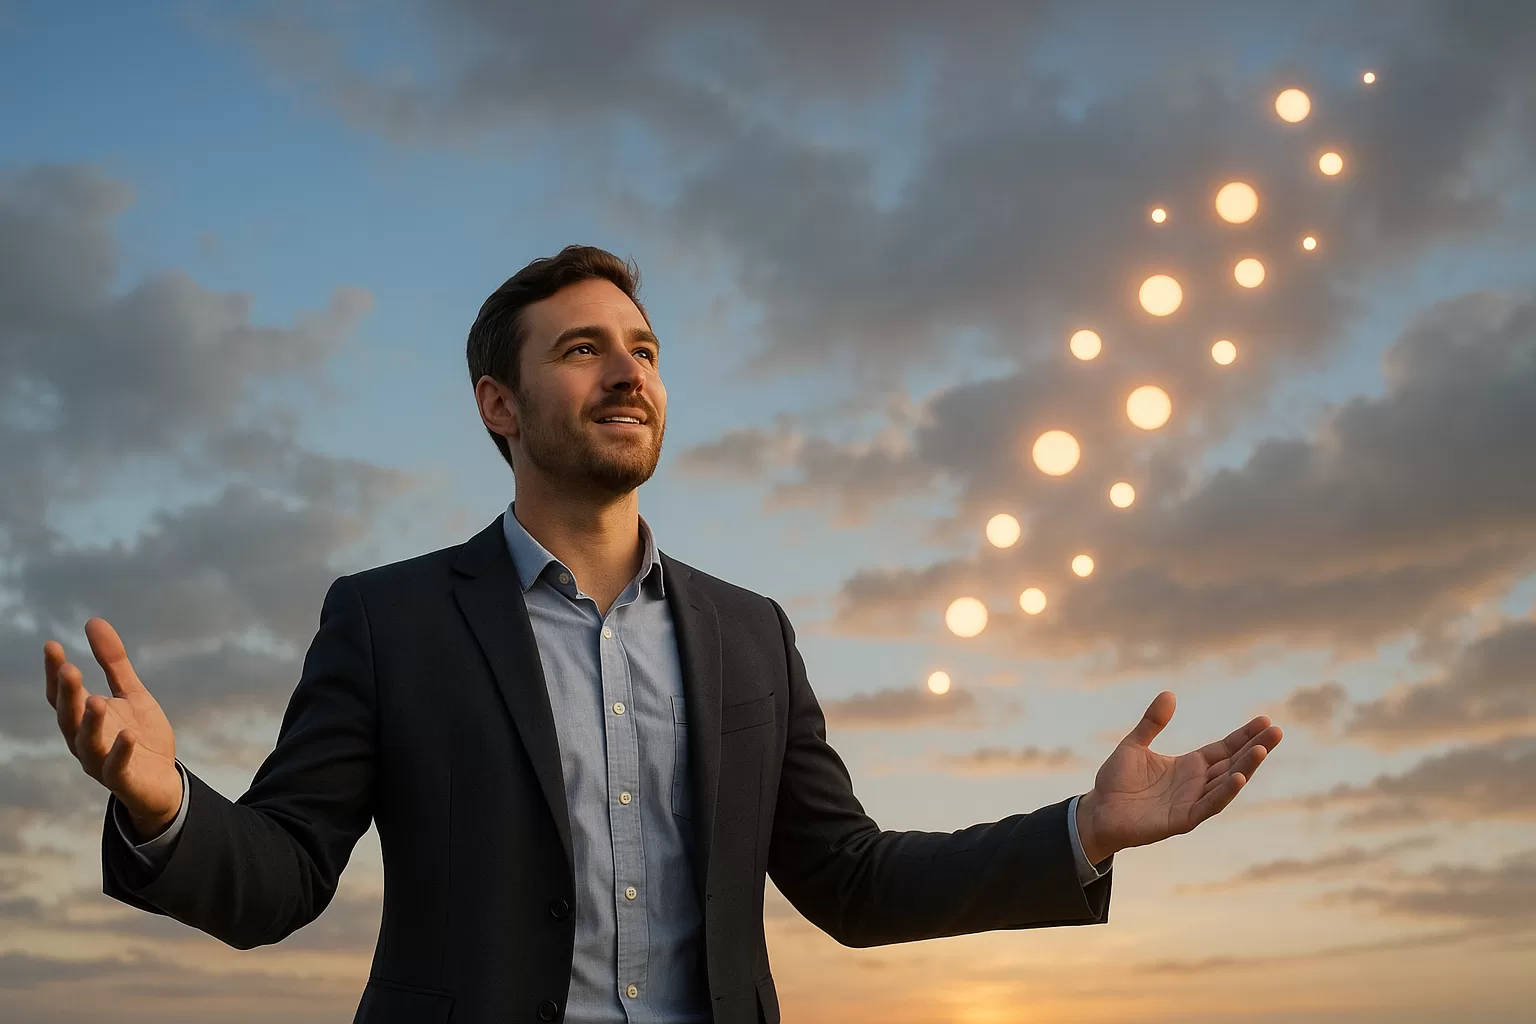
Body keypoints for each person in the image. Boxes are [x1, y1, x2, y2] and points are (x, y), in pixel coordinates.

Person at [45, 245, 1283, 1024]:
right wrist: (163, 802)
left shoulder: (751, 634)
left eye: (643, 350)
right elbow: (281, 876)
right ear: (498, 403)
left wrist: (1082, 831)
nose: (627, 374)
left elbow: (850, 880)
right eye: (583, 351)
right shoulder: (389, 619)